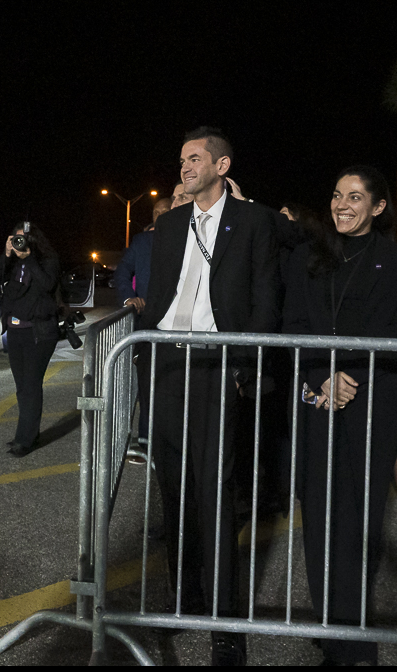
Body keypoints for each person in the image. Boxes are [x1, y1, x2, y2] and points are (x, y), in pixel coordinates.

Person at [138, 127, 279, 666]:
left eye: (195, 159)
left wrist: (247, 366)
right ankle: (183, 599)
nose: (184, 167)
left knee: (216, 494)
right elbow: (163, 295)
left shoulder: (254, 221)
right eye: (181, 159)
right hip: (167, 365)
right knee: (174, 493)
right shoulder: (171, 223)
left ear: (223, 165)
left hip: (218, 368)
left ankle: (225, 625)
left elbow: (265, 295)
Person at [283, 165, 397, 666]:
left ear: (378, 207)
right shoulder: (305, 258)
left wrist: (350, 375)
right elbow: (292, 325)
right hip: (318, 397)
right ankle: (329, 626)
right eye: (338, 195)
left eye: (356, 197)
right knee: (319, 516)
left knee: (360, 518)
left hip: (372, 400)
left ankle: (355, 638)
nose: (343, 204)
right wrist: (323, 378)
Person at [0, 223, 61, 457]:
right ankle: (28, 433)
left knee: (30, 385)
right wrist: (6, 254)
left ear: (34, 240)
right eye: (16, 239)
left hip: (39, 332)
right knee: (22, 387)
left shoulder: (48, 260)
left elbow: (47, 284)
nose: (20, 243)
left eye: (23, 239)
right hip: (16, 331)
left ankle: (25, 440)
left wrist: (29, 258)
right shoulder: (13, 262)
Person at [115, 197, 171, 459]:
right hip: (148, 328)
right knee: (147, 385)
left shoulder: (189, 239)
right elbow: (122, 272)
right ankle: (146, 441)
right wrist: (129, 298)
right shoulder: (141, 242)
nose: (159, 215)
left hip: (179, 330)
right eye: (155, 212)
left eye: (165, 210)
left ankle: (171, 442)